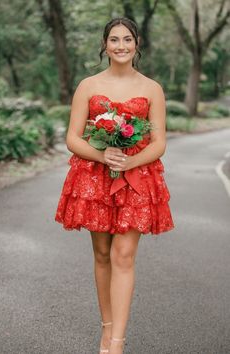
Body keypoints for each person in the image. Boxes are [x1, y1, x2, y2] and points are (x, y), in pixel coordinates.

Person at [55, 17, 174, 354]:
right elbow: (72, 137)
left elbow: (159, 141)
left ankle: (117, 344)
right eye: (114, 40)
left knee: (124, 255)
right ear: (104, 45)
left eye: (128, 39)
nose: (121, 46)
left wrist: (130, 162)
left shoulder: (152, 89)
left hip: (137, 178)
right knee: (103, 254)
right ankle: (106, 328)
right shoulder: (88, 86)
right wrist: (103, 155)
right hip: (94, 176)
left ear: (137, 44)